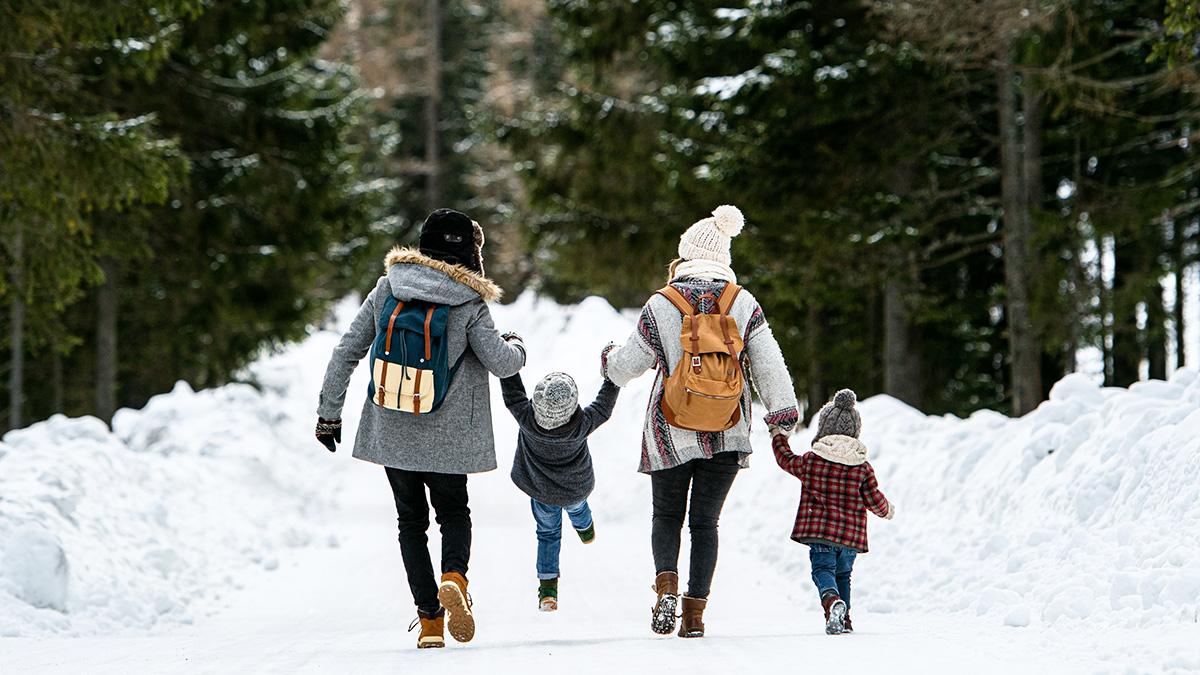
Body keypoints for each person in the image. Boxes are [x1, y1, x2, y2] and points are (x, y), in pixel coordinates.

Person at [313, 209, 526, 649]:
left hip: (393, 427)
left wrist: (328, 414)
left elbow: (346, 350)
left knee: (410, 521)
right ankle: (454, 578)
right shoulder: (469, 301)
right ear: (469, 252)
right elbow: (502, 363)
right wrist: (517, 345)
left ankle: (429, 621)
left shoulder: (388, 287)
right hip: (450, 435)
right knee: (453, 513)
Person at [601, 205, 799, 638]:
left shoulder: (662, 303)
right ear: (723, 259)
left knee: (667, 516)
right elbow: (769, 365)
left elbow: (626, 367)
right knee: (705, 523)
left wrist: (608, 359)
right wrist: (782, 417)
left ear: (686, 255)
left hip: (670, 429)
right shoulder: (742, 303)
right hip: (728, 427)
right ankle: (694, 616)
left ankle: (666, 588)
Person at [770, 388, 895, 635]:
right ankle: (844, 620)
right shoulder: (862, 467)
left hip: (821, 534)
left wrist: (777, 435)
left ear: (824, 429)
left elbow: (786, 459)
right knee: (843, 575)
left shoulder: (812, 460)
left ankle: (831, 601)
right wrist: (887, 510)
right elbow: (873, 499)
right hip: (850, 538)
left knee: (823, 571)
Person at [499, 370, 619, 611]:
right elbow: (603, 407)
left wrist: (508, 360)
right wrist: (613, 377)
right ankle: (585, 530)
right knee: (579, 509)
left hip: (542, 494)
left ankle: (548, 591)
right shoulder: (582, 425)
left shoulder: (526, 418)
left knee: (547, 535)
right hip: (575, 490)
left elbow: (513, 393)